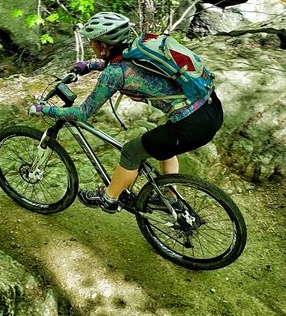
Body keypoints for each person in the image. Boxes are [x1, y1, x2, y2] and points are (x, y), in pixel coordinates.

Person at [28, 11, 224, 213]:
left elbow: (82, 114)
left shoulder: (114, 74)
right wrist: (88, 66)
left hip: (192, 125)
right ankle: (170, 196)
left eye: (93, 42)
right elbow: (124, 65)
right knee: (164, 143)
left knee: (131, 152)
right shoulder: (138, 47)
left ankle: (109, 198)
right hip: (211, 107)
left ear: (103, 46)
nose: (90, 45)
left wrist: (47, 110)